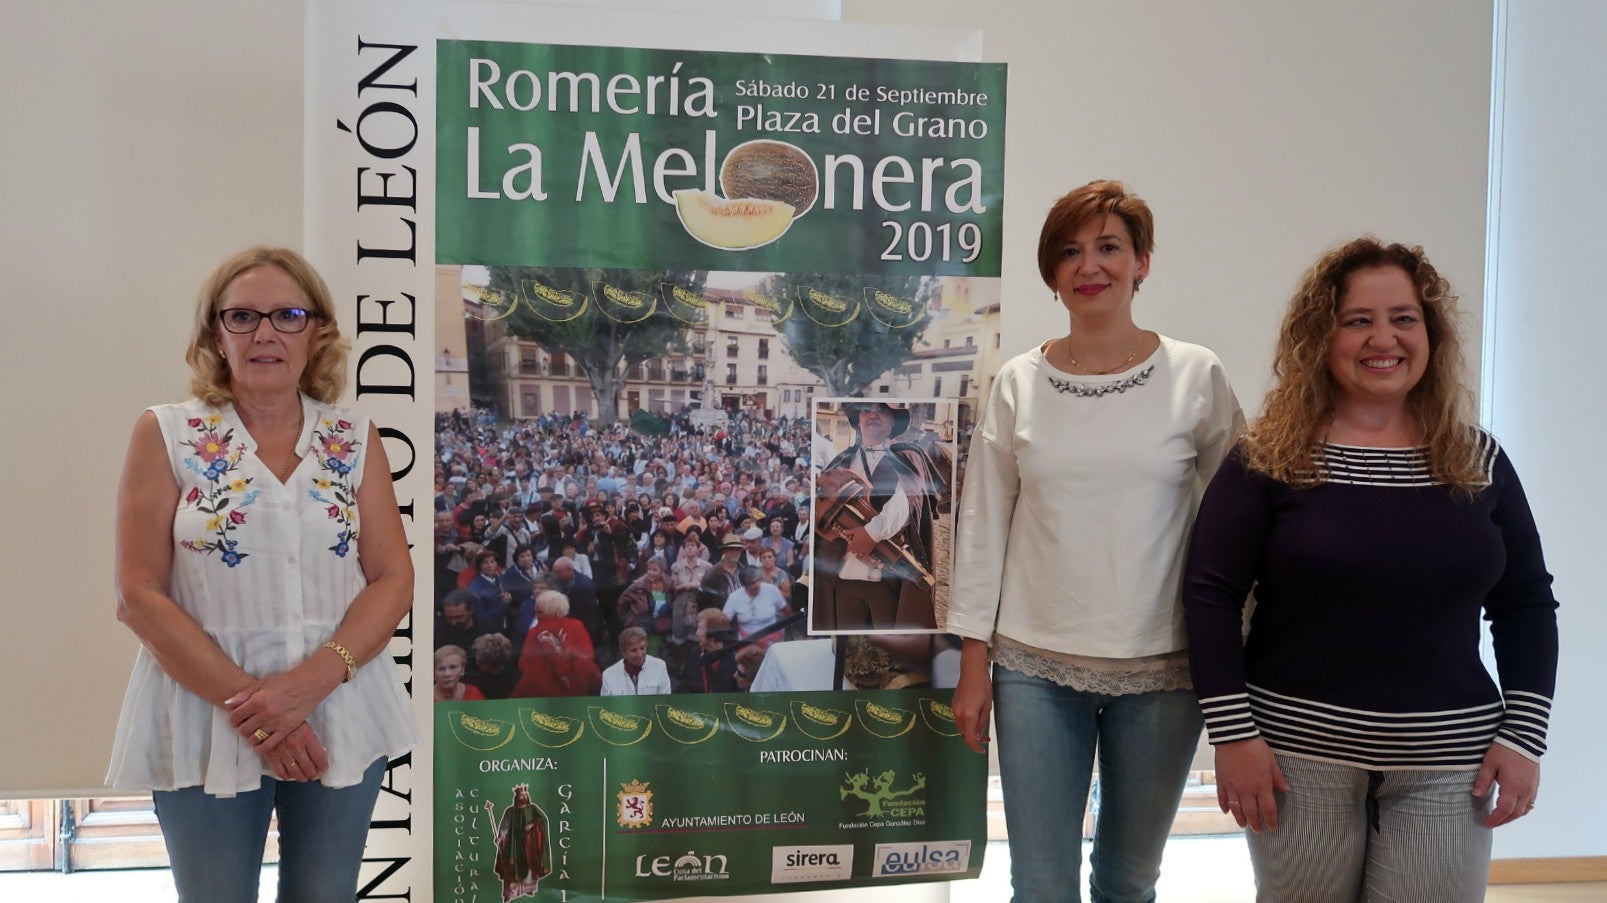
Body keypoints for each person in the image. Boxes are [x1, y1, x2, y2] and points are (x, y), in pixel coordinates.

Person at [1182, 238, 1559, 902]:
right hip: (1296, 760)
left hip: (1448, 766)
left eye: (1402, 318)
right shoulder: (1267, 459)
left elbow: (1524, 601)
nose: (1382, 337)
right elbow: (1210, 595)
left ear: (1428, 334)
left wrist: (1523, 735)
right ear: (1320, 337)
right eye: (1357, 319)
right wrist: (1233, 733)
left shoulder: (1478, 461)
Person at [948, 181, 1243, 903]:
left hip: (1164, 669)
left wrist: (1242, 648)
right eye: (1070, 252)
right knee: (1040, 886)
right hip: (1033, 667)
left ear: (1141, 261)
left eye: (1109, 247)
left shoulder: (1194, 375)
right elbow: (983, 523)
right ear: (1051, 274)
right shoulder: (1018, 383)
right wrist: (973, 659)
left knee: (1127, 881)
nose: (1090, 266)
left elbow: (1243, 519)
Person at [107, 246, 414, 902]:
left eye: (287, 314)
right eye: (242, 315)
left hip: (338, 709)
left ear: (319, 332)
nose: (265, 333)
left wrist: (309, 685)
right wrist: (265, 710)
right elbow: (138, 594)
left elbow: (391, 577)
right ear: (216, 334)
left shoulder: (354, 436)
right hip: (203, 715)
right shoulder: (166, 433)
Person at [813, 401, 933, 630]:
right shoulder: (842, 461)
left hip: (887, 578)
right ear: (859, 418)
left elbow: (907, 500)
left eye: (881, 410)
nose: (872, 415)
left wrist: (871, 533)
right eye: (866, 410)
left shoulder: (906, 457)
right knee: (847, 649)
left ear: (893, 420)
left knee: (890, 652)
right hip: (843, 576)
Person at [723, 565, 791, 647]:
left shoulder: (771, 590)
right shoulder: (734, 597)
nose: (757, 584)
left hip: (773, 642)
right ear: (744, 585)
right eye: (752, 583)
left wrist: (790, 632)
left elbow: (787, 611)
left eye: (758, 580)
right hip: (747, 644)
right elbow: (724, 620)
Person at [600, 626, 673, 696]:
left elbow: (666, 700)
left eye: (642, 648)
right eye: (633, 650)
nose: (639, 654)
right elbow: (607, 706)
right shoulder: (608, 675)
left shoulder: (660, 667)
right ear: (624, 652)